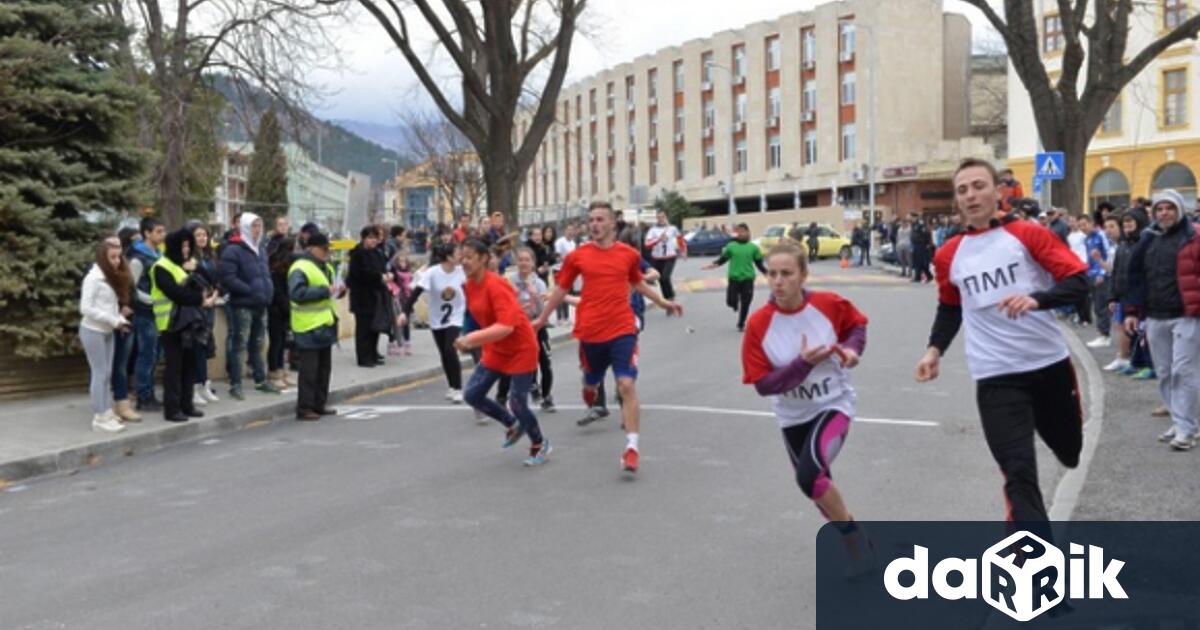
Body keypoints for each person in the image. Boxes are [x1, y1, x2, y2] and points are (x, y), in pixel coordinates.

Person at [915, 158, 1088, 530]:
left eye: (978, 186)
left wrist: (1037, 299)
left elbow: (1078, 280)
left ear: (998, 191)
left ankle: (1065, 438)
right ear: (956, 201)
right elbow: (949, 307)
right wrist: (934, 350)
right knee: (1018, 472)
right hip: (995, 375)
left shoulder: (1028, 234)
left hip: (1047, 366)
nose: (971, 195)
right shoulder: (948, 254)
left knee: (1069, 450)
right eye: (962, 190)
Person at [741, 241, 872, 574]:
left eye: (786, 273)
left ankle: (855, 540)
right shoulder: (759, 325)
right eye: (771, 274)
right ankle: (855, 540)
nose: (778, 281)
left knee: (809, 476)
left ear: (803, 275)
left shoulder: (827, 305)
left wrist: (852, 351)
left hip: (833, 406)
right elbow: (764, 385)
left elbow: (857, 326)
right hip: (792, 416)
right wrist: (802, 364)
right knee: (816, 488)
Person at [533, 201, 683, 475]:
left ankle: (632, 448)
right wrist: (543, 319)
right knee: (591, 383)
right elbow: (561, 289)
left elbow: (637, 282)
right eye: (591, 220)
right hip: (591, 331)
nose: (595, 225)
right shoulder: (578, 256)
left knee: (626, 384)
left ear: (613, 223)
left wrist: (664, 302)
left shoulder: (627, 254)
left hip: (622, 328)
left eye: (600, 219)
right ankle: (589, 386)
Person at [450, 239, 552, 466]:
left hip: (521, 347)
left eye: (469, 257)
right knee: (472, 394)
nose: (463, 261)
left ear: (484, 259)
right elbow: (476, 315)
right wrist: (466, 332)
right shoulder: (468, 284)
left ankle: (539, 443)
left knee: (517, 402)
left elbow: (506, 326)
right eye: (461, 256)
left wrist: (472, 339)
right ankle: (513, 424)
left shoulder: (496, 285)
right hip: (496, 347)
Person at [1123, 189, 1200, 450]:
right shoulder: (1148, 239)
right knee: (1165, 373)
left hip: (1187, 316)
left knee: (1183, 372)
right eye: (1159, 208)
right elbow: (1135, 277)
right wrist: (1132, 312)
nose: (1164, 212)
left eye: (1169, 207)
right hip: (1155, 316)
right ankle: (1180, 421)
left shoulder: (1194, 237)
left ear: (1179, 210)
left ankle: (1186, 429)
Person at [152, 228, 218, 422]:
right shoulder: (161, 266)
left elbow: (210, 280)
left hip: (190, 322)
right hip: (170, 324)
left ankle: (187, 404)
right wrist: (200, 298)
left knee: (190, 365)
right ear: (173, 247)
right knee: (174, 367)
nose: (187, 250)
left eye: (189, 246)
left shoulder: (185, 265)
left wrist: (195, 270)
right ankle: (172, 409)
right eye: (183, 246)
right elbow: (175, 293)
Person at [218, 212, 278, 399]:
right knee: (239, 345)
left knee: (258, 344)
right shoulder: (233, 250)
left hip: (261, 303)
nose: (257, 230)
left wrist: (267, 291)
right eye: (253, 226)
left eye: (259, 226)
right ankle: (235, 384)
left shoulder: (260, 249)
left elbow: (264, 274)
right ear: (244, 227)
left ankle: (261, 380)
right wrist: (249, 290)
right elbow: (228, 277)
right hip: (243, 304)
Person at [288, 233, 343, 421]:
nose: (327, 253)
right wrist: (324, 291)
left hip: (324, 323)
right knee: (309, 371)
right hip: (307, 326)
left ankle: (319, 404)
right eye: (324, 249)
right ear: (312, 248)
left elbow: (330, 292)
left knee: (323, 370)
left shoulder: (325, 267)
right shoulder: (300, 267)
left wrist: (339, 292)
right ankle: (304, 408)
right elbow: (297, 293)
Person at [80, 239, 133, 433]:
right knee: (99, 373)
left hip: (107, 330)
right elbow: (85, 308)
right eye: (112, 257)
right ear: (103, 257)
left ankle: (105, 410)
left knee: (107, 373)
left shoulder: (110, 276)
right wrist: (113, 320)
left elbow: (109, 306)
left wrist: (119, 319)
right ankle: (99, 416)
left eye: (119, 256)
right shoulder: (93, 278)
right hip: (93, 330)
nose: (117, 261)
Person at [405, 242, 467, 402]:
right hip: (437, 318)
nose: (461, 256)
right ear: (448, 257)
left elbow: (471, 291)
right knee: (443, 353)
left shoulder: (462, 272)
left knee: (450, 349)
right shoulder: (432, 273)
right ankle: (452, 387)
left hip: (456, 317)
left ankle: (459, 388)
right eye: (457, 253)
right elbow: (415, 292)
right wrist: (404, 312)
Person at [506, 246, 557, 412]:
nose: (524, 263)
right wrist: (515, 302)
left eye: (527, 260)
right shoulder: (511, 282)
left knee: (545, 361)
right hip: (520, 328)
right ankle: (532, 386)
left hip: (538, 326)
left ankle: (547, 395)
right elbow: (505, 307)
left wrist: (536, 296)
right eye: (520, 260)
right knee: (526, 361)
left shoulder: (539, 283)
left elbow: (545, 309)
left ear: (533, 263)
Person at [129, 217, 166, 412]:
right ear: (147, 233)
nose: (162, 235)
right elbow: (131, 288)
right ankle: (143, 395)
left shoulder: (158, 254)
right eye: (159, 231)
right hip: (145, 313)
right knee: (146, 355)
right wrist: (152, 300)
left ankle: (149, 393)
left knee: (154, 355)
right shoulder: (137, 257)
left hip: (157, 313)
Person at [1105, 209, 1149, 372]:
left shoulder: (1144, 244)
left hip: (1139, 296)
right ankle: (1132, 361)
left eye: (1131, 221)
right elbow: (1115, 272)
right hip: (1123, 295)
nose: (1127, 225)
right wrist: (1112, 297)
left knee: (1141, 331)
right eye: (1125, 223)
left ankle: (1145, 363)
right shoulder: (1123, 245)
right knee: (1125, 328)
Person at [704, 222, 767, 331]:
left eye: (743, 231)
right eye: (739, 231)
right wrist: (713, 264)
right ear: (736, 234)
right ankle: (734, 305)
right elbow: (723, 259)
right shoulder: (731, 246)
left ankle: (741, 323)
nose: (741, 233)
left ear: (748, 233)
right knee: (730, 301)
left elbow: (759, 264)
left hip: (748, 279)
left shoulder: (753, 248)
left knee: (746, 302)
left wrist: (768, 274)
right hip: (734, 279)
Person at [187, 221, 223, 406]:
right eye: (198, 235)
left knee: (206, 345)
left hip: (210, 304)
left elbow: (217, 279)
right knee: (196, 347)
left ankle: (204, 383)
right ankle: (194, 386)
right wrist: (203, 300)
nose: (202, 238)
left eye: (204, 235)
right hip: (197, 306)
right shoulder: (189, 258)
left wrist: (215, 293)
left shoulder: (211, 256)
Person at [110, 227, 142, 423]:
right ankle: (104, 407)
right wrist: (114, 312)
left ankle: (122, 404)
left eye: (118, 248)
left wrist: (129, 307)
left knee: (121, 365)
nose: (116, 253)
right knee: (105, 368)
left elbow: (135, 294)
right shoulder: (95, 271)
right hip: (105, 325)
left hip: (125, 323)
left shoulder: (126, 268)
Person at [347, 225, 389, 367]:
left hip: (375, 295)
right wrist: (379, 277)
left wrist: (386, 275)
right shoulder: (358, 253)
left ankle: (373, 353)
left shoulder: (377, 252)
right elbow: (361, 274)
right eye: (369, 238)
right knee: (364, 328)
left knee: (374, 326)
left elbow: (382, 268)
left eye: (375, 238)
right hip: (362, 296)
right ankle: (364, 357)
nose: (372, 241)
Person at [267, 235, 296, 388]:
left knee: (283, 341)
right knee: (277, 342)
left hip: (284, 307)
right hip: (277, 308)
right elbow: (278, 291)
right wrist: (287, 306)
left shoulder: (283, 263)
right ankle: (274, 372)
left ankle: (282, 370)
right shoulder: (279, 266)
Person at [644, 210, 687, 307]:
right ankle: (667, 300)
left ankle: (671, 297)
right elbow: (647, 245)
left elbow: (680, 239)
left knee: (665, 277)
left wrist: (683, 250)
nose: (661, 219)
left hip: (670, 257)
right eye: (658, 217)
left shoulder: (672, 228)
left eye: (662, 217)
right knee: (660, 280)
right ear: (656, 218)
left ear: (666, 217)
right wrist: (658, 239)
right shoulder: (652, 230)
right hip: (657, 258)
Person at [1081, 215, 1112, 347]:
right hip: (1091, 274)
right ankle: (1101, 333)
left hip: (1102, 275)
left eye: (1084, 224)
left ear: (1091, 223)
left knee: (1102, 306)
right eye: (1080, 225)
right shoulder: (1087, 238)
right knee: (1097, 305)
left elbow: (1108, 253)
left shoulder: (1100, 235)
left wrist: (1102, 273)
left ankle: (1104, 335)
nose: (1083, 227)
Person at [386, 253, 414, 356]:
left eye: (404, 261)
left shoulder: (409, 274)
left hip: (407, 299)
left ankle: (407, 342)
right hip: (397, 299)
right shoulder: (395, 273)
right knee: (394, 323)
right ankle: (392, 342)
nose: (403, 263)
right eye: (400, 261)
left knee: (406, 322)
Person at [553, 223, 578, 325]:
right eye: (568, 230)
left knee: (567, 293)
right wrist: (568, 260)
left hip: (569, 270)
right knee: (560, 293)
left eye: (572, 230)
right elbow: (558, 257)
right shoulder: (560, 242)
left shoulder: (573, 243)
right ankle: (559, 317)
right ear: (565, 231)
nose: (570, 232)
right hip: (559, 270)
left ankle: (566, 317)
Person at [909, 217, 933, 283]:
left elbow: (926, 234)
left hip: (921, 246)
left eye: (911, 217)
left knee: (921, 262)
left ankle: (928, 276)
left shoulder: (920, 225)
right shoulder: (913, 225)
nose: (910, 218)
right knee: (917, 262)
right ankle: (918, 277)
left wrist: (927, 243)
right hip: (916, 245)